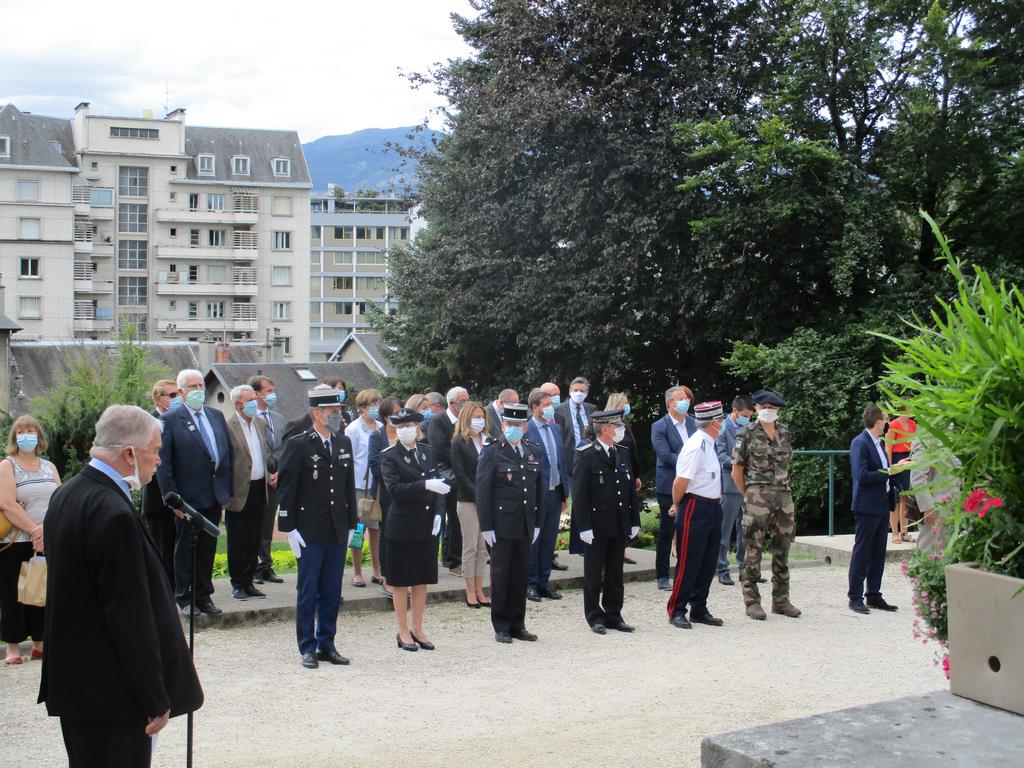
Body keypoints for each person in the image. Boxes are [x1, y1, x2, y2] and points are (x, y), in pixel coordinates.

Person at [39, 405, 203, 766]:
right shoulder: (113, 513)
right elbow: (129, 616)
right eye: (154, 451)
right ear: (129, 453)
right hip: (113, 693)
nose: (158, 460)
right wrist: (155, 696)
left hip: (78, 685)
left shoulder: (66, 494)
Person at [277, 387, 357, 668]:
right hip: (309, 529)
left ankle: (327, 643)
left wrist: (351, 523)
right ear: (317, 414)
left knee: (332, 590)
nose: (338, 416)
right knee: (308, 590)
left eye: (339, 411)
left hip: (336, 528)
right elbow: (286, 489)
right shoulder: (299, 444)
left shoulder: (343, 442)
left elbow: (348, 487)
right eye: (333, 412)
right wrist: (289, 527)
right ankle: (307, 647)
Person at [157, 368, 233, 617]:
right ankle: (184, 596)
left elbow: (227, 454)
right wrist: (173, 500)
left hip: (214, 494)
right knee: (186, 548)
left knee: (208, 547)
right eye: (192, 386)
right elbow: (164, 464)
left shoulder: (215, 416)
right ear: (181, 392)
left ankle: (203, 594)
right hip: (187, 498)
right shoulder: (170, 420)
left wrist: (227, 490)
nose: (198, 390)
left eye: (201, 385)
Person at [380, 408, 450, 651]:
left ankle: (417, 627)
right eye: (400, 426)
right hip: (402, 525)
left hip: (426, 523)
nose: (405, 430)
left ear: (417, 427)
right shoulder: (390, 455)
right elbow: (395, 489)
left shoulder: (427, 452)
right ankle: (402, 630)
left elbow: (440, 487)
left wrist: (439, 513)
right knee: (401, 581)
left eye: (409, 425)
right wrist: (424, 485)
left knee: (421, 579)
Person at [476, 403, 543, 644]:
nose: (515, 428)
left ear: (525, 427)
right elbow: (483, 492)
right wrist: (486, 525)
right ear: (503, 425)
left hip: (525, 523)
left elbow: (538, 490)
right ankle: (501, 625)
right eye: (510, 424)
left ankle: (518, 623)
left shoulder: (533, 450)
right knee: (502, 575)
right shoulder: (492, 451)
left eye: (519, 424)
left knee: (520, 575)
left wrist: (537, 522)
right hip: (502, 524)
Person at [731, 389, 801, 621]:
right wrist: (750, 495)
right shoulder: (746, 433)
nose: (768, 410)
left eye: (773, 407)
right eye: (764, 407)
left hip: (783, 496)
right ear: (757, 408)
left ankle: (781, 600)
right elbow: (736, 471)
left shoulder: (784, 432)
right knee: (753, 550)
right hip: (757, 497)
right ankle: (752, 601)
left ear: (778, 409)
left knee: (783, 550)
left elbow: (787, 466)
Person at [572, 409, 640, 634]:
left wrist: (634, 520)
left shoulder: (622, 452)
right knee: (593, 572)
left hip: (618, 522)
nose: (620, 429)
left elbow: (630, 491)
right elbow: (579, 495)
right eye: (616, 426)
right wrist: (584, 526)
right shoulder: (586, 455)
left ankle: (614, 614)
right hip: (597, 523)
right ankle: (594, 616)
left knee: (615, 571)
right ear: (604, 429)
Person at [1, 416, 60, 665]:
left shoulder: (49, 467)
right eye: (21, 431)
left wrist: (44, 531)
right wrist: (34, 530)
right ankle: (13, 648)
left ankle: (40, 643)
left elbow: (59, 498)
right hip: (17, 540)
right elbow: (7, 503)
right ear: (15, 437)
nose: (26, 435)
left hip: (48, 538)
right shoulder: (7, 466)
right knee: (14, 593)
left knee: (41, 590)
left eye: (31, 430)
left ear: (39, 436)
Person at [666, 402, 726, 629]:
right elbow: (680, 482)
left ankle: (699, 608)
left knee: (708, 561)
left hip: (713, 506)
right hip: (695, 505)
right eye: (720, 419)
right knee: (689, 561)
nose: (723, 423)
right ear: (714, 423)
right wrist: (677, 504)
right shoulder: (696, 445)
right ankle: (677, 610)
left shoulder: (709, 443)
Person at [848, 404, 907, 614]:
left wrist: (893, 470)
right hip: (866, 505)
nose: (888, 424)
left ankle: (873, 594)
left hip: (882, 503)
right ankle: (855, 597)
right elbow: (862, 475)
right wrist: (891, 471)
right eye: (887, 420)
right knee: (862, 551)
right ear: (879, 422)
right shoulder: (860, 443)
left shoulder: (879, 443)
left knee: (878, 552)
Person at [224, 385, 272, 601]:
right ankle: (238, 583)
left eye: (255, 398)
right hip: (239, 491)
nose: (255, 403)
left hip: (259, 488)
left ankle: (249, 580)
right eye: (250, 400)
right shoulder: (228, 426)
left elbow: (264, 453)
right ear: (238, 404)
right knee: (238, 540)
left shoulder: (260, 423)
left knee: (254, 538)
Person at [525, 387, 570, 602]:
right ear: (535, 408)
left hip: (555, 492)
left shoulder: (555, 428)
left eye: (551, 404)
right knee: (534, 540)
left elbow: (561, 461)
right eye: (546, 405)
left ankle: (544, 582)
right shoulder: (527, 430)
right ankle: (531, 583)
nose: (551, 408)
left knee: (549, 541)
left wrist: (564, 493)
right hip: (536, 495)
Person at [650, 385, 696, 590]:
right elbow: (666, 455)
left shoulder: (693, 423)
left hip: (693, 485)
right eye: (681, 399)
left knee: (690, 530)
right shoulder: (659, 426)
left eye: (687, 398)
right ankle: (662, 575)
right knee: (667, 531)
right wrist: (691, 463)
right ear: (670, 404)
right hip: (669, 485)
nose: (686, 401)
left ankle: (685, 573)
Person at [450, 401, 493, 607]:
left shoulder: (489, 441)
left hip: (488, 500)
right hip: (468, 500)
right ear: (467, 418)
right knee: (470, 547)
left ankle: (479, 588)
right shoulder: (459, 442)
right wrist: (478, 496)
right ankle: (469, 591)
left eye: (482, 417)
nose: (480, 420)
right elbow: (460, 475)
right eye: (476, 417)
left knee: (483, 548)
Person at [249, 374, 287, 584]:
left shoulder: (278, 418)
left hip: (276, 478)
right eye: (268, 391)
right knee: (254, 523)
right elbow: (252, 449)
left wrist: (279, 471)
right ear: (256, 394)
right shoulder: (250, 418)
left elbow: (285, 447)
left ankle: (266, 565)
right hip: (257, 478)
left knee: (267, 524)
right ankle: (253, 566)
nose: (273, 395)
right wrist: (265, 473)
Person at [344, 388, 383, 588]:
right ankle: (357, 572)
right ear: (362, 407)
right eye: (372, 404)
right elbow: (349, 459)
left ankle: (377, 571)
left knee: (376, 530)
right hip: (359, 486)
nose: (377, 407)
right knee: (358, 531)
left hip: (377, 486)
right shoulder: (353, 429)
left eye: (378, 403)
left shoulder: (381, 427)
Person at [427, 386, 469, 573]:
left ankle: (454, 558)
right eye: (463, 401)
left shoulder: (466, 420)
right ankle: (447, 560)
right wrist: (460, 465)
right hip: (444, 475)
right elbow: (440, 450)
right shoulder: (439, 421)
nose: (466, 404)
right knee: (444, 518)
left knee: (457, 520)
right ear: (452, 403)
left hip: (462, 475)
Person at [142, 379, 179, 582]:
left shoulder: (181, 419)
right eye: (172, 395)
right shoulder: (148, 423)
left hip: (182, 500)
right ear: (158, 399)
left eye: (178, 394)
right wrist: (169, 496)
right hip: (159, 501)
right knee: (162, 553)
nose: (177, 399)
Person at [715, 395, 754, 586]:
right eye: (745, 415)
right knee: (725, 529)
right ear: (735, 411)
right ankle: (721, 569)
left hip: (748, 485)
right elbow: (720, 456)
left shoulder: (750, 427)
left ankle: (744, 568)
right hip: (730, 485)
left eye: (750, 416)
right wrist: (739, 464)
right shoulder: (723, 427)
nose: (748, 419)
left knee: (745, 529)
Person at [368, 395, 402, 594]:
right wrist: (396, 475)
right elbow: (375, 465)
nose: (399, 417)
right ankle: (387, 576)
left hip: (405, 493)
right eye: (395, 414)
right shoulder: (377, 437)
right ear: (386, 416)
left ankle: (401, 574)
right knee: (387, 535)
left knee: (402, 535)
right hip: (386, 494)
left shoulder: (406, 433)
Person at [886, 407, 917, 543]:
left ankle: (904, 532)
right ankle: (894, 533)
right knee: (895, 498)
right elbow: (888, 448)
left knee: (906, 497)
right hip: (896, 459)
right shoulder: (893, 425)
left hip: (909, 459)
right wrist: (890, 468)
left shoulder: (913, 424)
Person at [555, 376, 597, 452]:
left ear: (587, 393)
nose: (578, 393)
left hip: (589, 454)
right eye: (576, 390)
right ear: (570, 391)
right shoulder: (559, 410)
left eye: (582, 391)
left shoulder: (592, 409)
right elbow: (558, 436)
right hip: (569, 455)